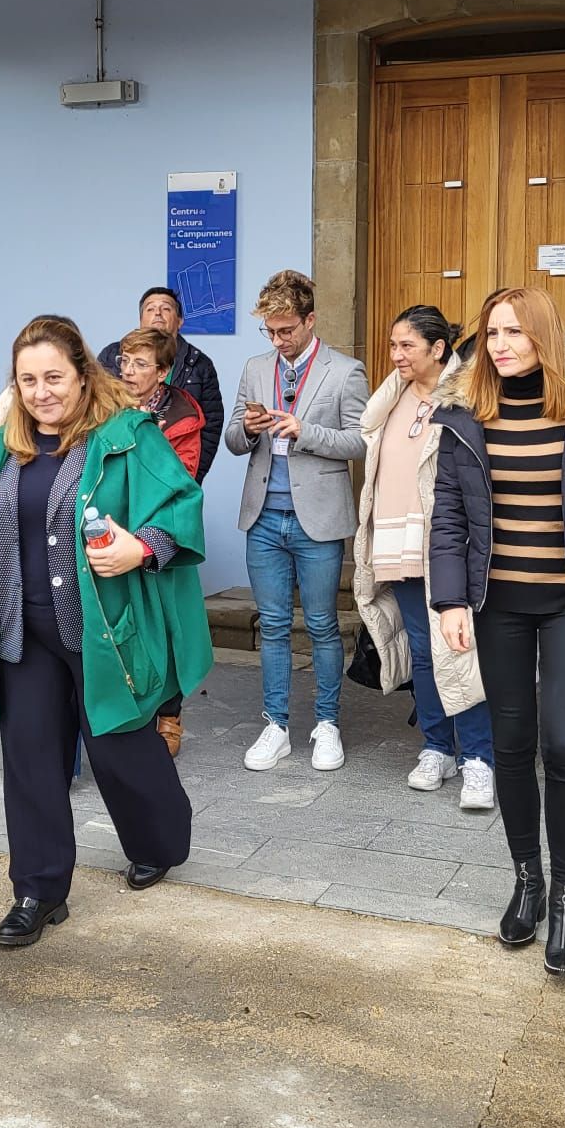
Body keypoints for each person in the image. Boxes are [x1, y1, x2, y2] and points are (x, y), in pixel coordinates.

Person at [0, 316, 210, 947]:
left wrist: (142, 548)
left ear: (83, 375)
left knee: (118, 742)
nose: (41, 391)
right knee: (28, 757)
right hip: (21, 629)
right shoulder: (2, 446)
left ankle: (159, 840)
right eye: (28, 380)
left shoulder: (129, 437)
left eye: (54, 377)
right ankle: (38, 888)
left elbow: (181, 504)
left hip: (102, 627)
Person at [429, 287, 565, 976]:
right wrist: (451, 600)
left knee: (563, 745)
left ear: (545, 338)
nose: (499, 344)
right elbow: (449, 517)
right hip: (496, 604)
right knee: (512, 744)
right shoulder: (464, 413)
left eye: (515, 332)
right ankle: (527, 878)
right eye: (492, 331)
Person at [226, 270, 370, 774]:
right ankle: (276, 725)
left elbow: (360, 441)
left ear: (310, 320)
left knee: (324, 625)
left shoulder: (345, 371)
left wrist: (305, 431)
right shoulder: (255, 367)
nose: (277, 340)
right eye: (270, 331)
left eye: (286, 329)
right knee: (272, 624)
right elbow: (232, 440)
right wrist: (245, 427)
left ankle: (327, 724)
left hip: (318, 519)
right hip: (264, 514)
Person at [352, 306, 495, 811]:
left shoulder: (469, 398)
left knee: (460, 650)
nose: (395, 356)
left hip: (448, 548)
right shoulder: (390, 399)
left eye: (406, 346)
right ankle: (437, 748)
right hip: (397, 547)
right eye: (392, 346)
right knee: (423, 652)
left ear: (438, 349)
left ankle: (480, 758)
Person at [114, 323, 207, 755]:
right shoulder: (104, 408)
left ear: (163, 371)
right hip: (111, 535)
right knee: (121, 626)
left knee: (168, 630)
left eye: (141, 364)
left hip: (157, 539)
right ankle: (129, 712)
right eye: (125, 361)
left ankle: (169, 715)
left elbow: (180, 479)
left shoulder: (183, 418)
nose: (129, 372)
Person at [98, 286, 225, 483]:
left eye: (166, 309)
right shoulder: (111, 356)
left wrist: (191, 483)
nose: (128, 371)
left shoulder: (197, 369)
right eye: (150, 309)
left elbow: (210, 428)